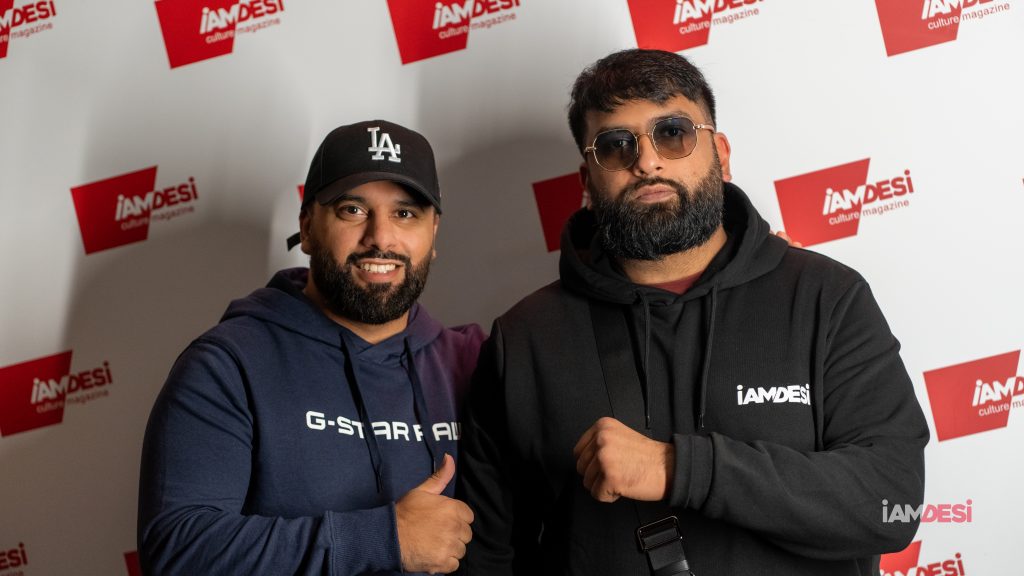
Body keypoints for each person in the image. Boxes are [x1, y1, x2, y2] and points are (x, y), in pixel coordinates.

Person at [456, 49, 929, 575]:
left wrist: (680, 468)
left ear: (720, 154)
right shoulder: (524, 337)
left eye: (673, 133)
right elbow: (489, 555)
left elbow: (893, 504)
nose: (647, 162)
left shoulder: (826, 297)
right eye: (616, 145)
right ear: (587, 181)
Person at [138, 120, 483, 575]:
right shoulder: (228, 365)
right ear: (306, 228)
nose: (381, 237)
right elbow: (178, 550)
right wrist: (383, 538)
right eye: (353, 210)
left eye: (405, 214)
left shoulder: (475, 362)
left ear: (433, 232)